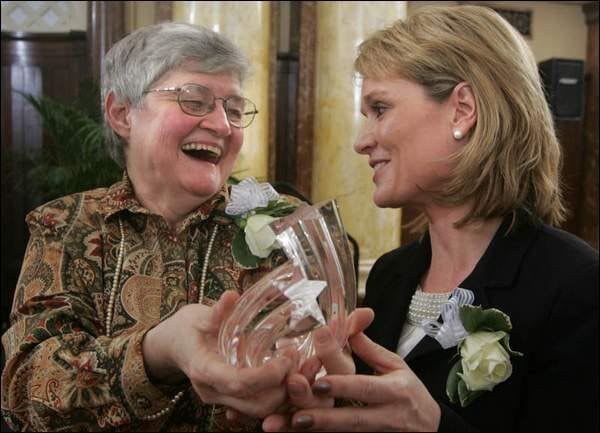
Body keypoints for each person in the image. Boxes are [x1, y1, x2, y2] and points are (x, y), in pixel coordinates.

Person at [262, 5, 599, 432]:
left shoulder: (575, 286)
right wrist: (340, 398)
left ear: (462, 110)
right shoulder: (390, 274)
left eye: (380, 108)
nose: (361, 142)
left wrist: (434, 425)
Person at [1, 22, 298, 432]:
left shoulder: (285, 226)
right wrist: (157, 352)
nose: (223, 126)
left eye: (233, 109)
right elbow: (25, 392)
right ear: (122, 114)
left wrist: (302, 390)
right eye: (195, 100)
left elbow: (331, 377)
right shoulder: (65, 225)